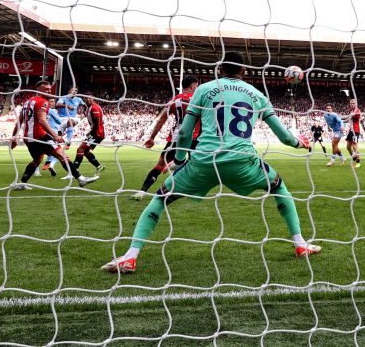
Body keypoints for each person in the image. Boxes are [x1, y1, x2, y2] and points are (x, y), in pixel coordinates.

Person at [102, 52, 319, 274]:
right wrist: (298, 142)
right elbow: (284, 138)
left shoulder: (203, 90)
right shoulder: (257, 95)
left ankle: (130, 256)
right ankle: (300, 244)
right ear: (243, 71)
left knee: (160, 199)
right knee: (279, 188)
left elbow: (185, 132)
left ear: (220, 70)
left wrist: (179, 160)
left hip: (204, 161)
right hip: (242, 162)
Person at [10, 80, 99, 189]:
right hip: (40, 137)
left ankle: (22, 183)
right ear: (38, 89)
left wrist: (14, 137)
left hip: (28, 138)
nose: (49, 91)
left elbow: (19, 121)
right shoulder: (43, 102)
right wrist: (55, 136)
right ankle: (81, 179)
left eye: (49, 89)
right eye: (46, 89)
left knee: (37, 160)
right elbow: (42, 121)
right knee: (62, 155)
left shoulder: (28, 102)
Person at [132, 76, 200, 200]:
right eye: (196, 85)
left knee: (159, 166)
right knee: (194, 166)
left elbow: (162, 120)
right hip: (194, 138)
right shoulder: (197, 99)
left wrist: (152, 137)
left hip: (176, 138)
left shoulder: (173, 100)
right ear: (192, 86)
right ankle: (183, 185)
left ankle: (142, 192)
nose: (197, 88)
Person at [71, 91, 106, 175]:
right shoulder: (88, 108)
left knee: (80, 149)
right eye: (86, 98)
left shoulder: (94, 108)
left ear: (93, 99)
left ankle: (74, 172)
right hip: (96, 133)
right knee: (85, 152)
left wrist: (91, 132)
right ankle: (99, 166)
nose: (88, 99)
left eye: (90, 98)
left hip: (97, 134)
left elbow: (97, 124)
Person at [41, 97, 65, 177]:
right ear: (47, 102)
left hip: (43, 132)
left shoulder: (42, 110)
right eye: (51, 101)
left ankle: (37, 171)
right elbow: (59, 121)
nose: (53, 103)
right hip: (53, 132)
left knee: (41, 152)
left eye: (54, 101)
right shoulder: (52, 110)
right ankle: (51, 165)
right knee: (59, 151)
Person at [345, 99, 365, 168]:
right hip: (351, 131)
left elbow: (357, 115)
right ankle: (354, 158)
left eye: (353, 103)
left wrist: (351, 116)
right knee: (348, 146)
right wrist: (340, 120)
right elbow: (348, 119)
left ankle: (358, 162)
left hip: (356, 130)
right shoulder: (351, 111)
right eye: (351, 103)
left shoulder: (357, 110)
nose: (352, 104)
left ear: (356, 104)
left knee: (354, 146)